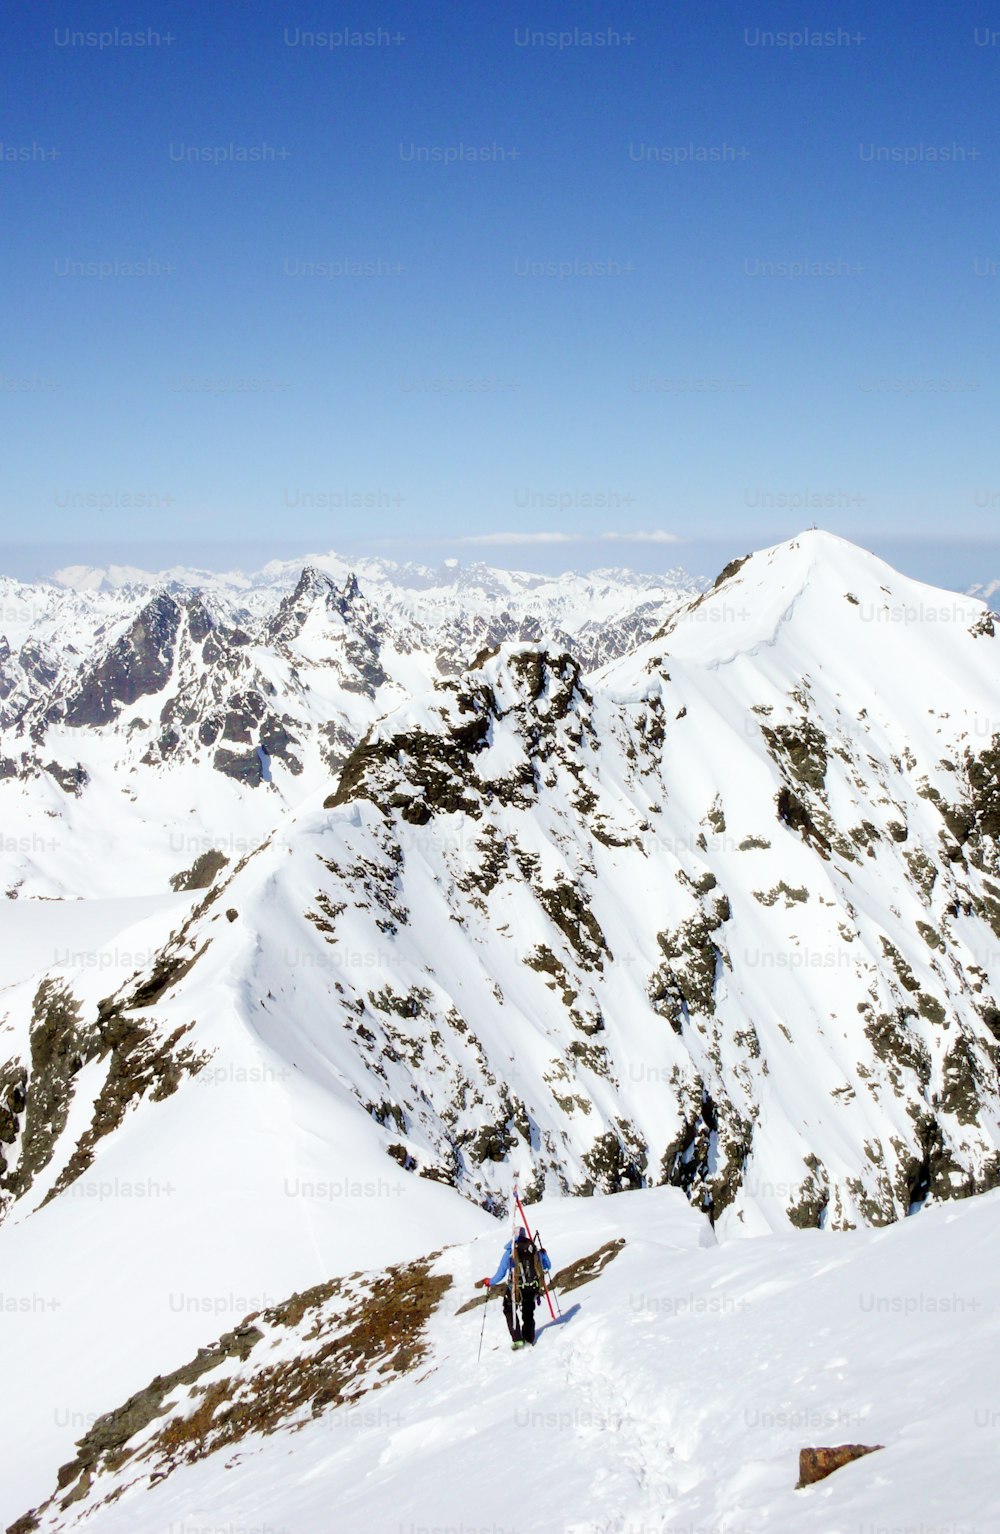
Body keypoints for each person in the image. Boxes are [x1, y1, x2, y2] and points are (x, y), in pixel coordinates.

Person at [478, 1226, 552, 1349]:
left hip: (515, 1287)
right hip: (532, 1287)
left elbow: (501, 1273)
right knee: (528, 1312)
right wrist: (544, 1254)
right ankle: (529, 1338)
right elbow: (547, 1266)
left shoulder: (510, 1252)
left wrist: (490, 1282)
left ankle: (517, 1339)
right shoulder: (533, 1249)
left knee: (509, 1309)